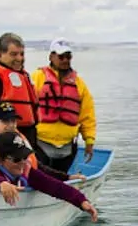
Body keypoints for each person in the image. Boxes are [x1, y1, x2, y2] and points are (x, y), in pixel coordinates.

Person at [0, 131, 99, 221]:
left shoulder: (25, 169)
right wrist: (0, 183)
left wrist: (81, 201)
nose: (22, 163)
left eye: (24, 156)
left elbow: (53, 185)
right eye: (16, 159)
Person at [30, 38, 97, 179]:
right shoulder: (37, 78)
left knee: (60, 181)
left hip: (67, 148)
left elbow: (87, 115)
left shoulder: (79, 84)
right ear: (51, 56)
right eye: (61, 56)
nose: (65, 60)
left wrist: (89, 141)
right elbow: (25, 107)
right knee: (41, 178)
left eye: (68, 56)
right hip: (40, 143)